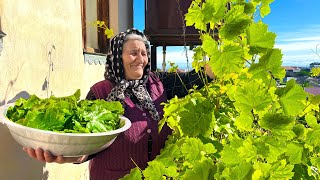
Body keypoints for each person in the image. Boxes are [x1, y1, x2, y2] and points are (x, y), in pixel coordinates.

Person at [23, 28, 214, 179]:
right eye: (133, 53)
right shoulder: (100, 93)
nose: (141, 59)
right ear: (117, 57)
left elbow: (194, 80)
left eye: (144, 53)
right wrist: (65, 156)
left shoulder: (160, 84)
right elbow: (87, 145)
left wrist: (220, 55)